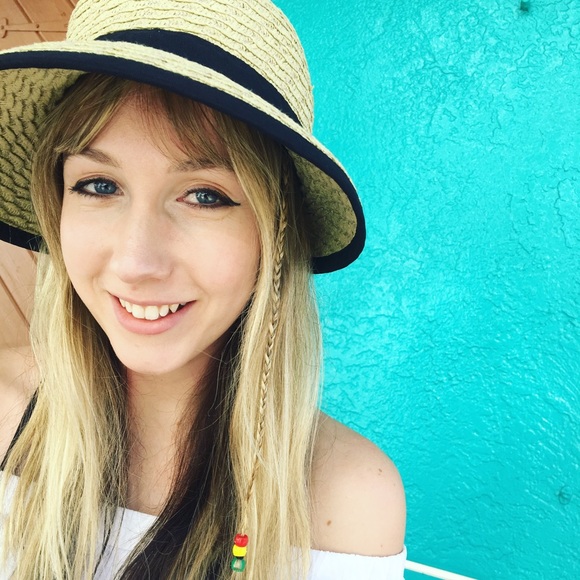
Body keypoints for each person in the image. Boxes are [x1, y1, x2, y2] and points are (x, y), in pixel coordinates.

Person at [0, 0, 406, 578]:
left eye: (204, 196)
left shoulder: (347, 502)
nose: (136, 261)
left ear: (274, 235)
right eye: (99, 185)